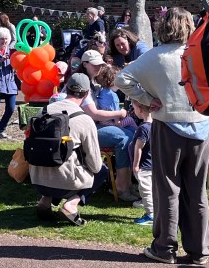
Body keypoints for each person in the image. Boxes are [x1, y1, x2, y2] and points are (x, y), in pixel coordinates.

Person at [116, 7, 209, 265]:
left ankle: (164, 247)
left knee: (167, 188)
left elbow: (122, 78)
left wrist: (147, 99)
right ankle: (199, 249)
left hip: (168, 124)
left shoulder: (154, 56)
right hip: (200, 125)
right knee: (197, 189)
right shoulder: (199, 54)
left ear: (163, 26)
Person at [30, 73, 109, 226]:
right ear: (87, 94)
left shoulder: (43, 111)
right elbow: (95, 164)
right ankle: (71, 204)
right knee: (102, 170)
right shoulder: (84, 119)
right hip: (65, 182)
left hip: (38, 179)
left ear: (66, 89)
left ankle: (45, 201)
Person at [79, 50, 136, 201]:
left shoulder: (94, 85)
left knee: (132, 133)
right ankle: (121, 186)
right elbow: (94, 114)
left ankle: (128, 182)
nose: (98, 67)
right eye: (95, 65)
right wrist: (120, 113)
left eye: (100, 65)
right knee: (124, 138)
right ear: (85, 64)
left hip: (94, 126)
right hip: (85, 131)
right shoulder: (82, 84)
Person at [129, 99, 155, 226]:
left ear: (140, 109)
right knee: (154, 190)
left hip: (144, 166)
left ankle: (150, 214)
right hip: (156, 165)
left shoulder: (143, 128)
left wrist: (135, 165)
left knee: (146, 190)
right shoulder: (157, 126)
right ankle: (156, 213)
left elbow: (138, 148)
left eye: (134, 108)